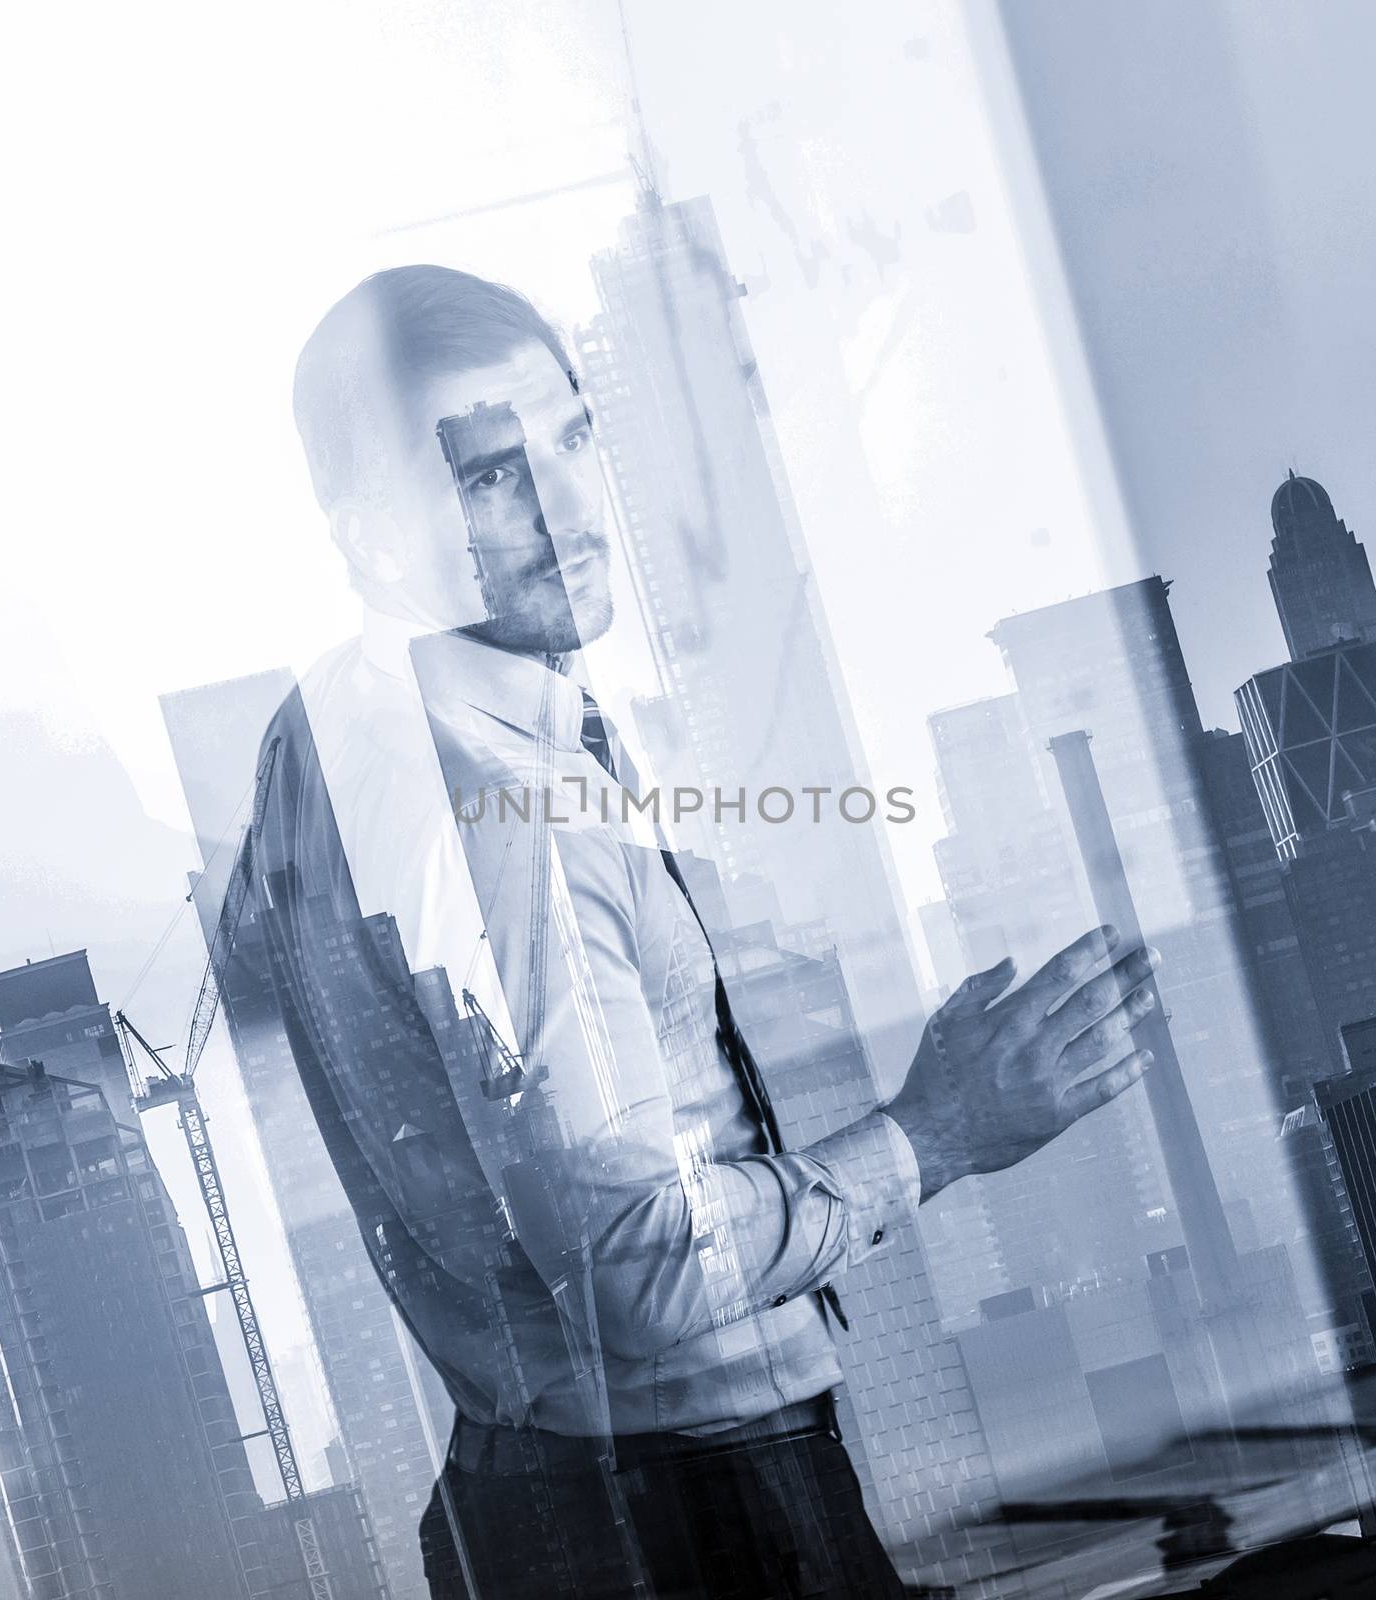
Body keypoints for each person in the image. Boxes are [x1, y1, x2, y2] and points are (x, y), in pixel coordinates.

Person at [258, 264, 1159, 1599]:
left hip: (542, 1484)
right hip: (704, 1503)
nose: (571, 513)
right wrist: (943, 1130)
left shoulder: (324, 739)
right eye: (490, 477)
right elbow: (638, 1264)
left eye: (571, 438)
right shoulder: (516, 814)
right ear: (374, 537)